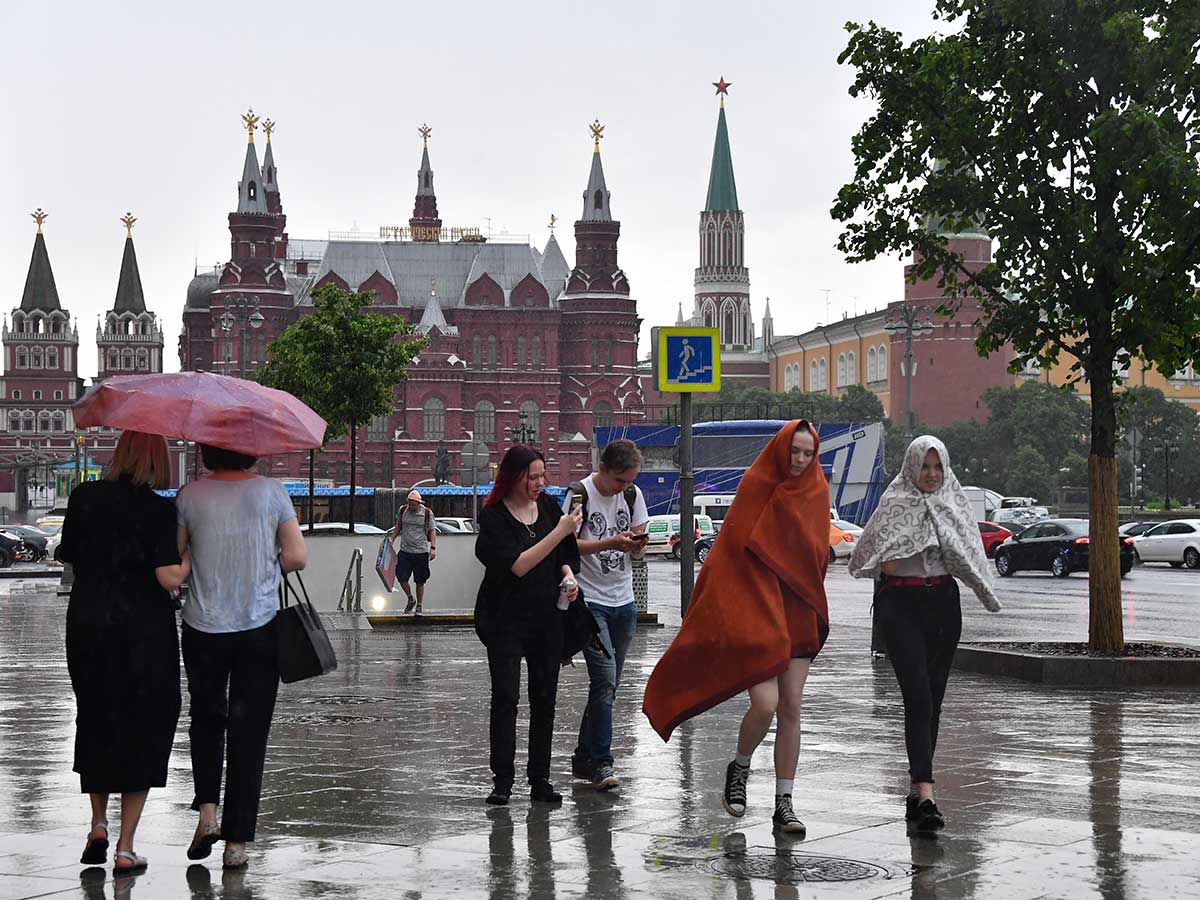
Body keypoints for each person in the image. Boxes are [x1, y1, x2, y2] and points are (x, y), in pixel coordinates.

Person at [643, 420, 831, 835]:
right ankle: (740, 766)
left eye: (807, 453)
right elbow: (729, 554)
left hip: (797, 609)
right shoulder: (755, 484)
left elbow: (817, 553)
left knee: (792, 707)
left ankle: (785, 803)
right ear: (781, 450)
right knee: (765, 704)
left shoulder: (816, 492)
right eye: (794, 451)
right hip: (758, 610)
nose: (800, 460)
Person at [849, 435, 1001, 833]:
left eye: (938, 467)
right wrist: (901, 552)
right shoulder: (894, 500)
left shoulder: (955, 502)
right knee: (916, 695)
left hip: (943, 605)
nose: (931, 475)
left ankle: (918, 791)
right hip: (900, 607)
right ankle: (928, 793)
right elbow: (867, 555)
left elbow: (969, 551)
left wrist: (952, 555)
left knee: (932, 700)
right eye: (924, 466)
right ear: (912, 465)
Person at [59, 431, 192, 874]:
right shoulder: (159, 509)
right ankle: (125, 846)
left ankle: (97, 823)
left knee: (96, 715)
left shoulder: (83, 497)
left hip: (88, 623)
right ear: (157, 460)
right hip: (143, 630)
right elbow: (168, 577)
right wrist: (188, 558)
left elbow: (70, 557)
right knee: (147, 724)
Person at [176, 443, 308, 869]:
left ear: (206, 450)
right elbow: (296, 557)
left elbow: (177, 561)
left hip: (202, 626)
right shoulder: (272, 492)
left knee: (207, 721)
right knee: (249, 733)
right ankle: (237, 845)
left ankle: (208, 816)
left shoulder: (190, 495)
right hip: (258, 627)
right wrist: (264, 559)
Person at [474, 445, 582, 806]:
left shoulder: (549, 507)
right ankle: (502, 781)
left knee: (545, 700)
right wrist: (561, 530)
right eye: (531, 477)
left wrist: (568, 578)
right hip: (504, 620)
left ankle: (540, 779)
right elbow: (518, 565)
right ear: (512, 477)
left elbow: (565, 555)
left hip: (546, 620)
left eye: (542, 475)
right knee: (505, 699)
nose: (540, 483)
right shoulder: (493, 517)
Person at [564, 439, 648, 791]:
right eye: (618, 481)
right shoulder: (579, 494)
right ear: (603, 468)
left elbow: (641, 535)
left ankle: (584, 757)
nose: (623, 488)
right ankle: (601, 762)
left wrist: (636, 542)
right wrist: (611, 543)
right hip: (589, 600)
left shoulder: (632, 495)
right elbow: (566, 544)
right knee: (604, 680)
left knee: (608, 686)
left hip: (623, 601)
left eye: (629, 482)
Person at [391, 490, 436, 614]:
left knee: (420, 580)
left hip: (421, 552)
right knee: (401, 576)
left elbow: (432, 530)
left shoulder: (426, 513)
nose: (410, 507)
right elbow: (398, 526)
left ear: (418, 503)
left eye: (413, 504)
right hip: (405, 550)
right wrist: (392, 540)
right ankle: (410, 598)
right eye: (409, 504)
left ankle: (419, 605)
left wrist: (432, 547)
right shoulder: (403, 510)